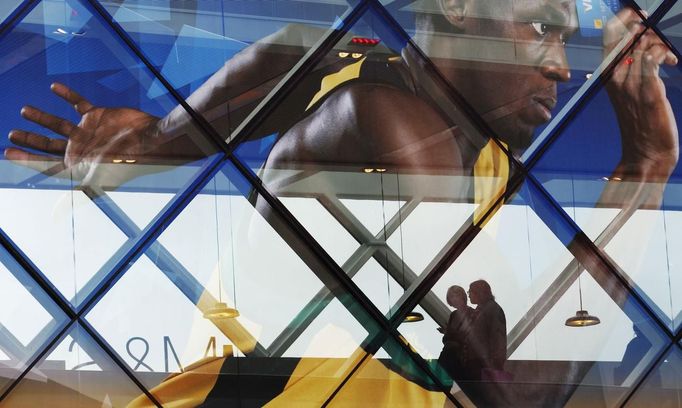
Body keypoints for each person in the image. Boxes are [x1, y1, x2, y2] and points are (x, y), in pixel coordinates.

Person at [3, 0, 679, 406]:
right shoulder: (397, 129)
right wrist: (644, 167)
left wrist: (150, 143)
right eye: (538, 29)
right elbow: (516, 390)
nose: (561, 66)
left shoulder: (410, 98)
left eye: (566, 39)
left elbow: (294, 56)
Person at [467, 280, 507, 381]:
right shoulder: (481, 309)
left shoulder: (492, 309)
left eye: (470, 291)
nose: (469, 295)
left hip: (483, 363)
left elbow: (498, 337)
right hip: (478, 361)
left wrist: (495, 363)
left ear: (479, 292)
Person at [438, 285, 474, 382]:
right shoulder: (453, 315)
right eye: (451, 297)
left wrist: (450, 333)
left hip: (461, 359)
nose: (454, 299)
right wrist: (448, 333)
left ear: (463, 296)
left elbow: (470, 338)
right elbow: (448, 338)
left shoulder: (472, 314)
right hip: (448, 355)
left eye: (456, 296)